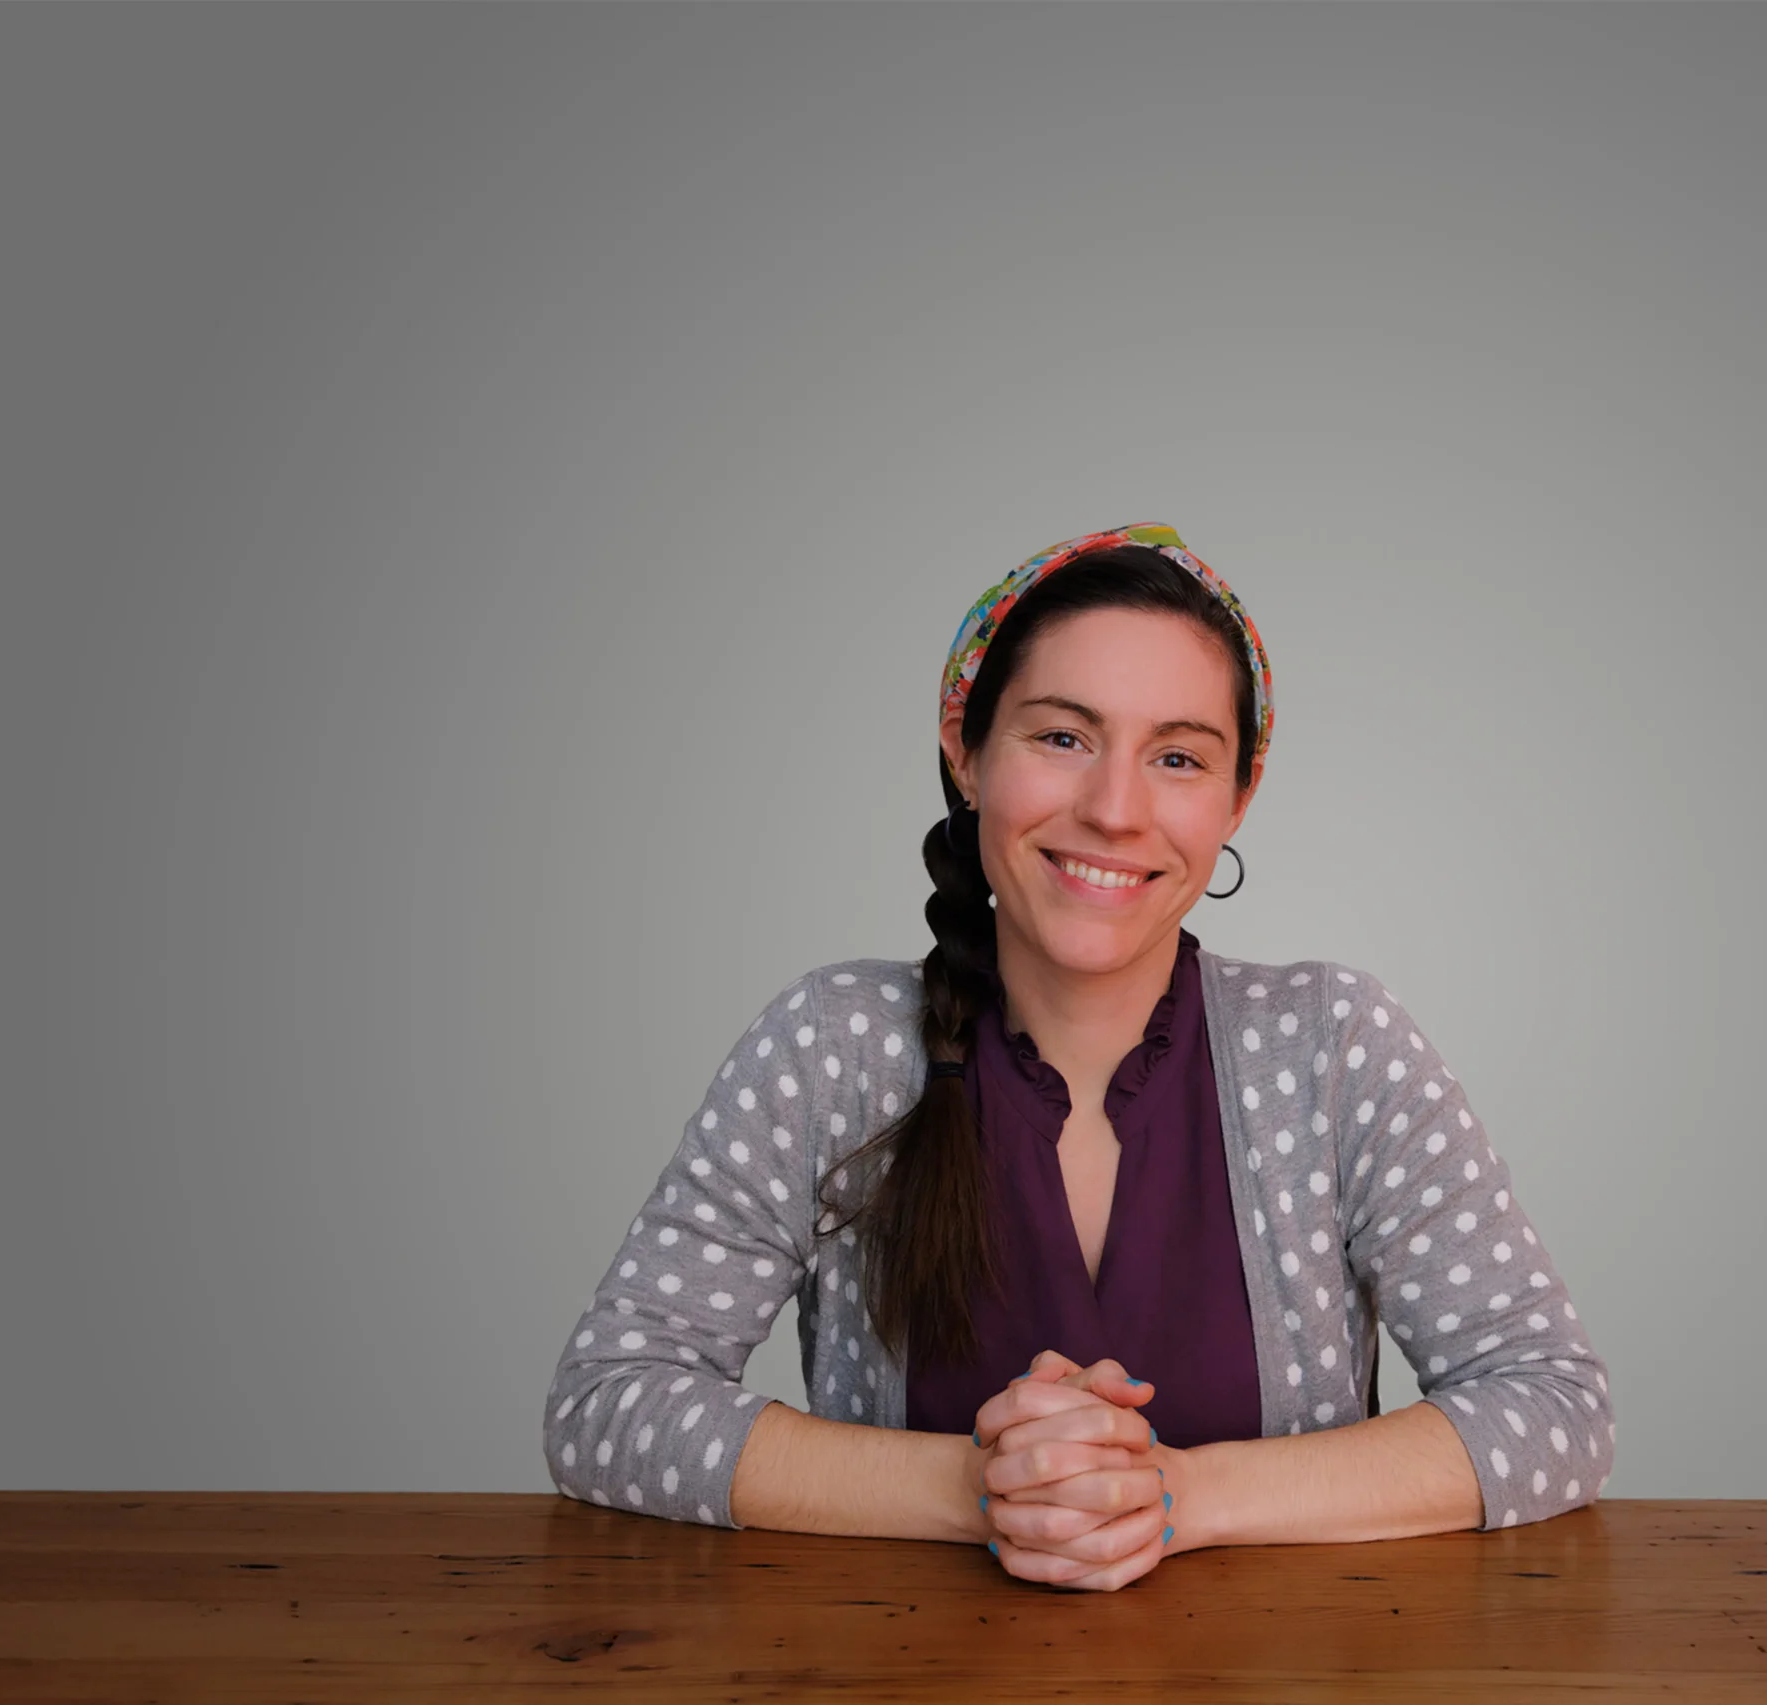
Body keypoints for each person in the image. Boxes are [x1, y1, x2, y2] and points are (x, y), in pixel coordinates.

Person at [543, 522, 1615, 1591]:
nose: (1113, 809)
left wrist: (1178, 1494)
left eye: (1178, 757)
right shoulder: (833, 1046)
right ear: (965, 751)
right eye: (1062, 737)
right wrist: (977, 1485)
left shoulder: (1336, 1047)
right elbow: (606, 1404)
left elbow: (1552, 1407)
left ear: (1236, 797)